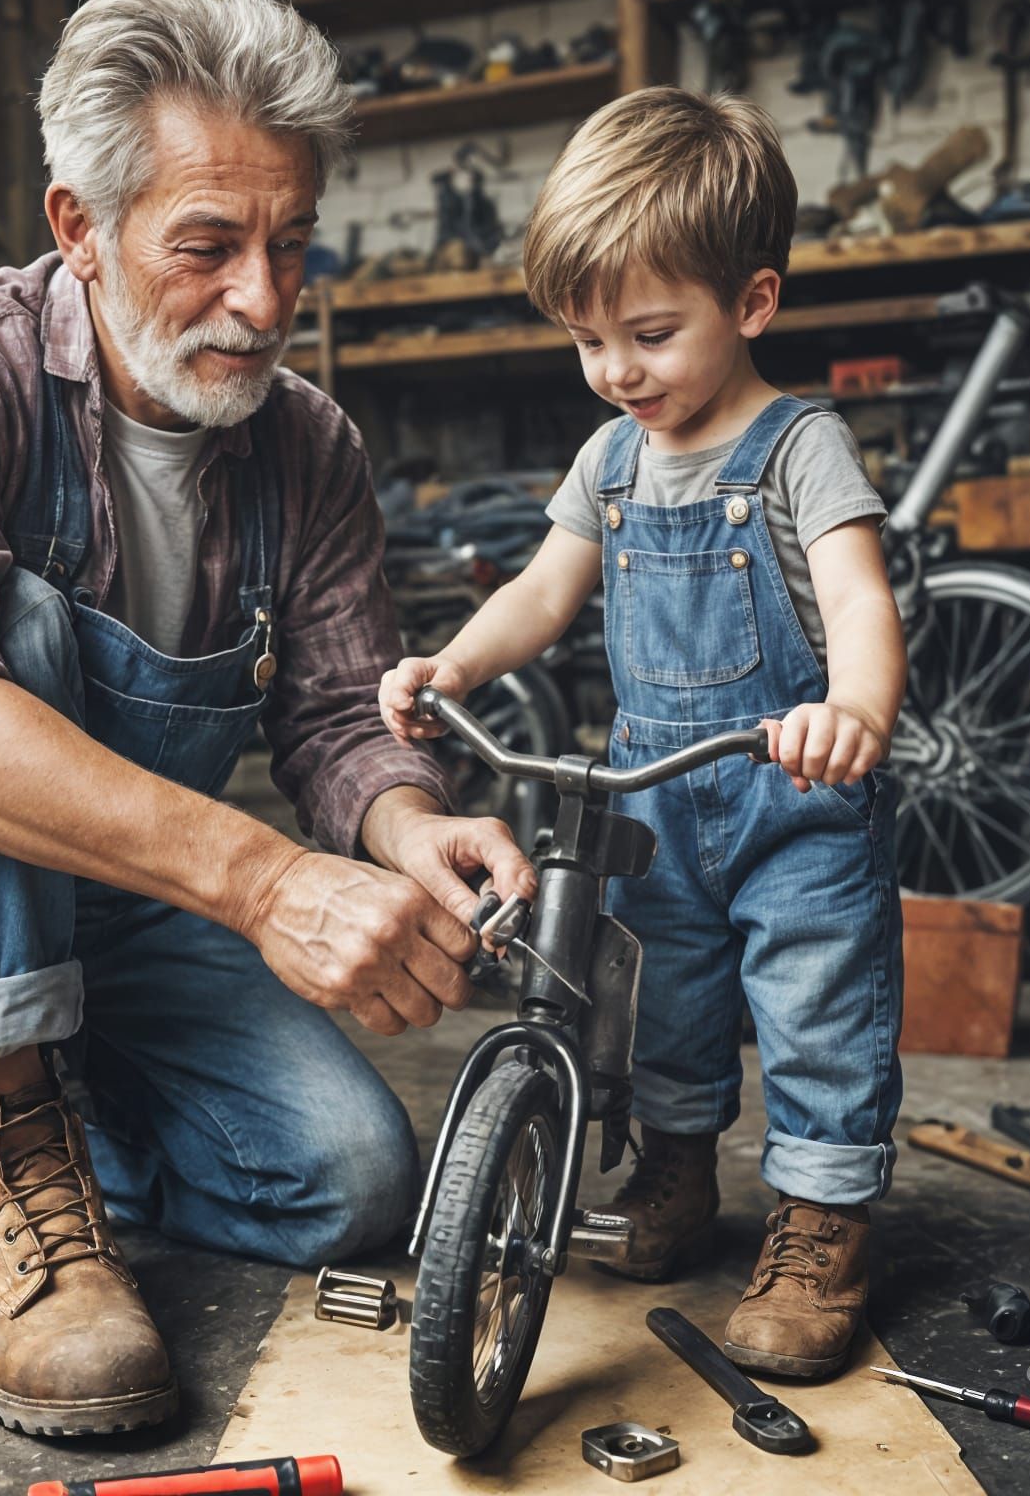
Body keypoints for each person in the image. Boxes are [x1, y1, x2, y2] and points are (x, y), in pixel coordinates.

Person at [0, 0, 534, 1438]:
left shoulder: (311, 448)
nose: (264, 301)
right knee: (0, 639)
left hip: (96, 899)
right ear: (80, 229)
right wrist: (272, 880)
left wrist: (407, 828)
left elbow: (344, 716)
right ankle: (14, 1152)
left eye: (293, 246)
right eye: (209, 247)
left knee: (349, 1177)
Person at [380, 85, 905, 1380]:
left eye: (652, 334)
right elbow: (543, 594)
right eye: (589, 340)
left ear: (755, 303)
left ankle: (825, 1223)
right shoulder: (610, 459)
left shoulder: (798, 449)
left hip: (795, 804)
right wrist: (457, 657)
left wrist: (855, 711)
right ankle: (677, 1171)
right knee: (662, 1005)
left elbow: (856, 596)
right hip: (656, 805)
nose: (619, 370)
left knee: (817, 1008)